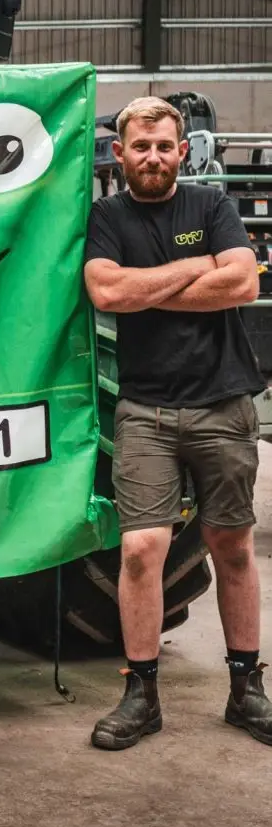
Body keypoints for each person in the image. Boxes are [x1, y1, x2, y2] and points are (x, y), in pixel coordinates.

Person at [84, 96, 272, 750]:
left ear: (182, 151)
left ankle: (247, 687)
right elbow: (106, 292)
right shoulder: (106, 217)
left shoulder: (211, 207)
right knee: (140, 550)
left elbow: (243, 282)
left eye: (166, 146)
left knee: (232, 545)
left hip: (223, 404)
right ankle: (141, 692)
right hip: (146, 410)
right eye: (142, 147)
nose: (154, 157)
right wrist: (199, 269)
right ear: (120, 152)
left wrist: (153, 283)